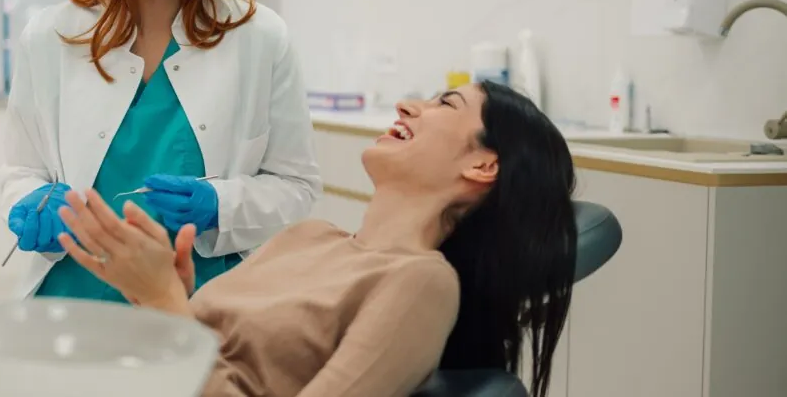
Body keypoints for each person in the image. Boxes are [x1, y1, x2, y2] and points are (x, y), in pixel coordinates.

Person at [54, 82, 578, 397]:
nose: (407, 105)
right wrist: (164, 300)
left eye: (446, 103)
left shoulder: (420, 282)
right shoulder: (309, 237)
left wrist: (166, 305)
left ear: (483, 164)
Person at [0, 0, 321, 302]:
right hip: (74, 305)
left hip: (203, 310)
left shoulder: (261, 38)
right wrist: (30, 203)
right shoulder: (50, 37)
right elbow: (22, 169)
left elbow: (297, 186)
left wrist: (221, 207)